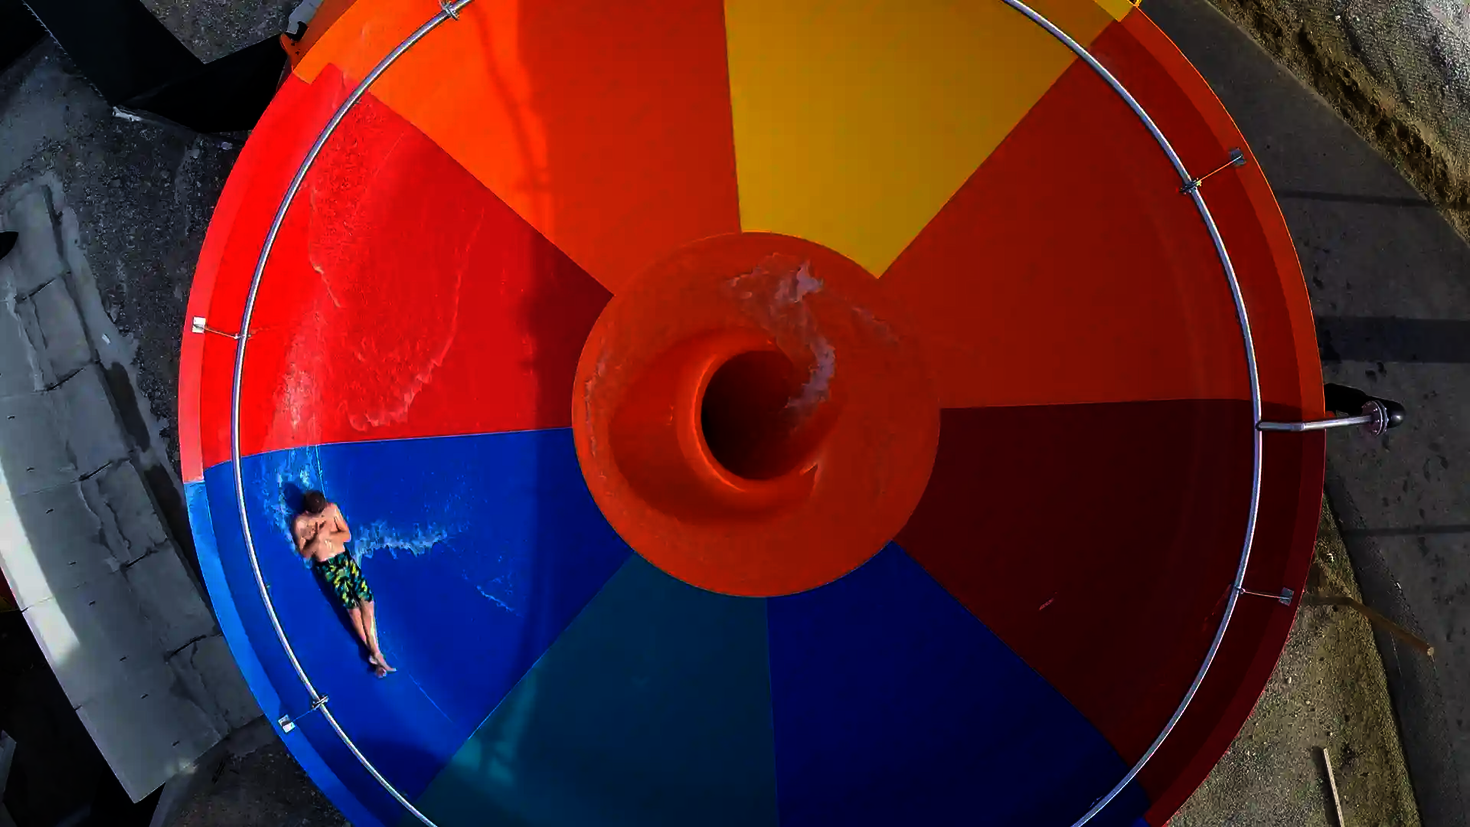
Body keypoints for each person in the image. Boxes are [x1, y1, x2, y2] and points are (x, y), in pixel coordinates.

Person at [292, 490, 394, 677]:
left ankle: (375, 653)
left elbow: (347, 536)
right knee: (353, 610)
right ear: (307, 512)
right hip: (328, 567)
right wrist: (317, 539)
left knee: (368, 602)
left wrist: (327, 535)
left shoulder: (331, 509)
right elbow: (305, 553)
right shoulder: (300, 523)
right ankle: (375, 652)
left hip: (345, 560)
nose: (321, 516)